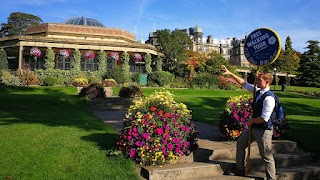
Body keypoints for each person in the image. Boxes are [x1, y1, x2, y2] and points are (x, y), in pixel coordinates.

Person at [221, 65, 276, 180]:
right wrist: (230, 73)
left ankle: (271, 178)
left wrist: (251, 121)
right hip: (254, 128)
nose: (256, 82)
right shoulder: (258, 91)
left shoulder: (269, 98)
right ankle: (240, 169)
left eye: (258, 80)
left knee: (266, 156)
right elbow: (244, 84)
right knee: (241, 143)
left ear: (267, 82)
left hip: (263, 130)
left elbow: (265, 118)